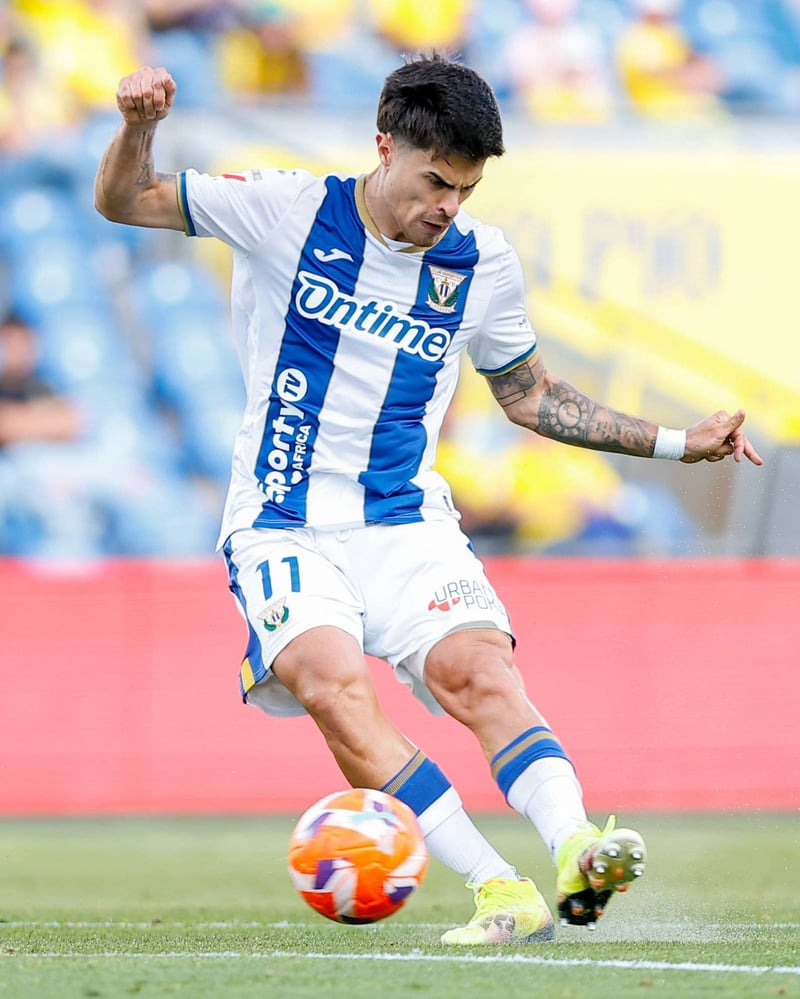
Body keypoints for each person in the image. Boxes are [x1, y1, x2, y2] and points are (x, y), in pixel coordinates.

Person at [94, 54, 762, 945]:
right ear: (385, 147)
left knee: (480, 673)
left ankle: (577, 848)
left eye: (466, 188)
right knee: (333, 685)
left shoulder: (482, 262)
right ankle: (498, 888)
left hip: (405, 519)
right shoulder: (285, 209)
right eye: (436, 182)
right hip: (283, 520)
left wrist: (678, 441)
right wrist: (140, 126)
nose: (449, 205)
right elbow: (124, 199)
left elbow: (531, 395)